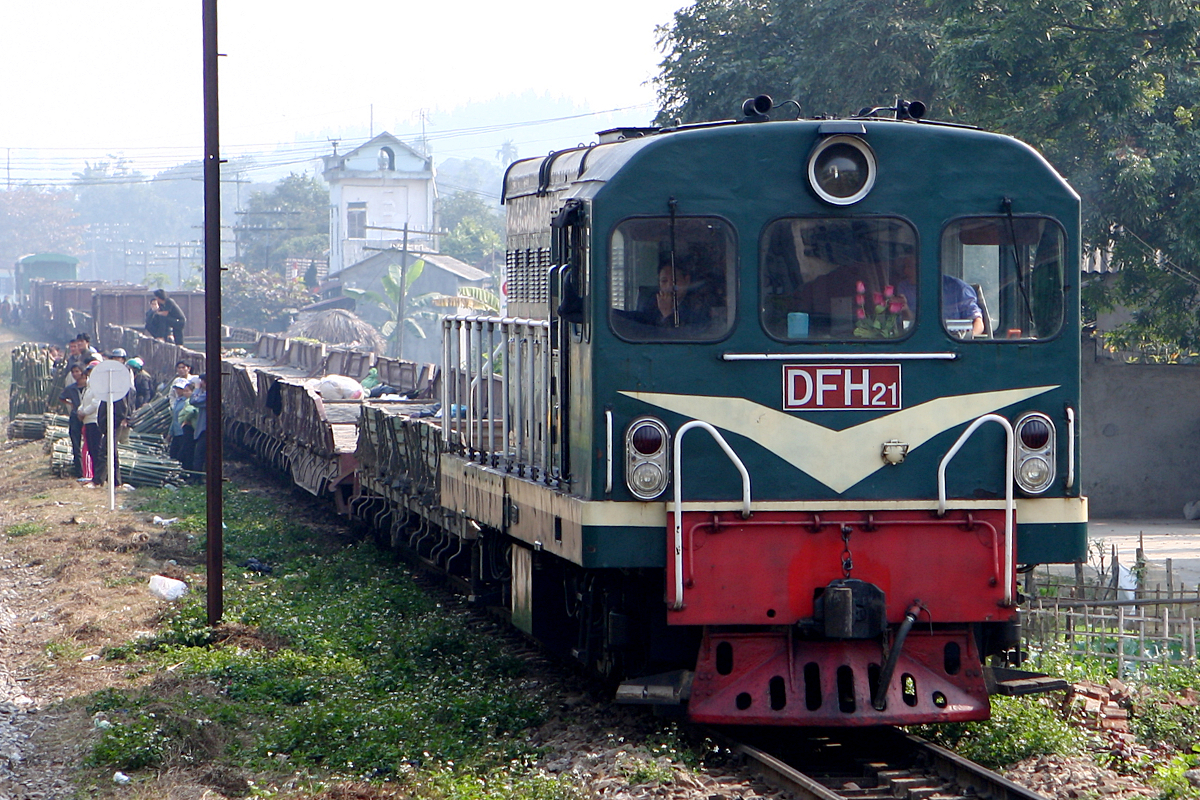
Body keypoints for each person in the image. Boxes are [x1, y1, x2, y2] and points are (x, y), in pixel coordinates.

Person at [893, 247, 984, 336]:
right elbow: (909, 325)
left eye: (910, 266)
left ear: (927, 267)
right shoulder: (904, 287)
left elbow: (978, 322)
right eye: (904, 267)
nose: (905, 271)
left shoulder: (959, 288)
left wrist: (969, 337)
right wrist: (905, 309)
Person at [58, 365, 89, 479]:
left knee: (89, 443)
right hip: (75, 416)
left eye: (77, 371)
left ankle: (90, 471)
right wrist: (71, 404)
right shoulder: (71, 388)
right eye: (73, 372)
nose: (75, 374)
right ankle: (79, 471)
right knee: (76, 444)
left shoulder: (89, 387)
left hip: (88, 417)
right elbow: (61, 397)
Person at [169, 378, 195, 468]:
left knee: (183, 455)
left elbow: (190, 412)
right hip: (176, 432)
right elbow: (174, 418)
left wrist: (186, 421)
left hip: (184, 432)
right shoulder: (178, 401)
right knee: (173, 454)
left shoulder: (188, 402)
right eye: (177, 389)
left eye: (181, 389)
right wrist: (170, 433)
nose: (178, 391)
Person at [189, 374, 208, 473]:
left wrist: (196, 389)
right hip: (203, 428)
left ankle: (197, 477)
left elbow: (193, 401)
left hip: (205, 429)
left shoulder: (207, 394)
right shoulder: (205, 393)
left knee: (199, 454)